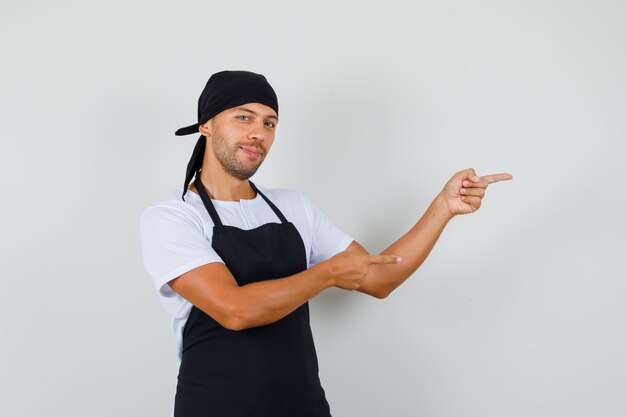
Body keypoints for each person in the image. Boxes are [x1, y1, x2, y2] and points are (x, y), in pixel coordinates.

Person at [139, 70, 512, 417]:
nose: (259, 133)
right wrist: (328, 273)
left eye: (270, 123)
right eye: (244, 117)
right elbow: (235, 310)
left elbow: (379, 278)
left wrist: (441, 209)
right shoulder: (173, 217)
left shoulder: (293, 207)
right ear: (206, 124)